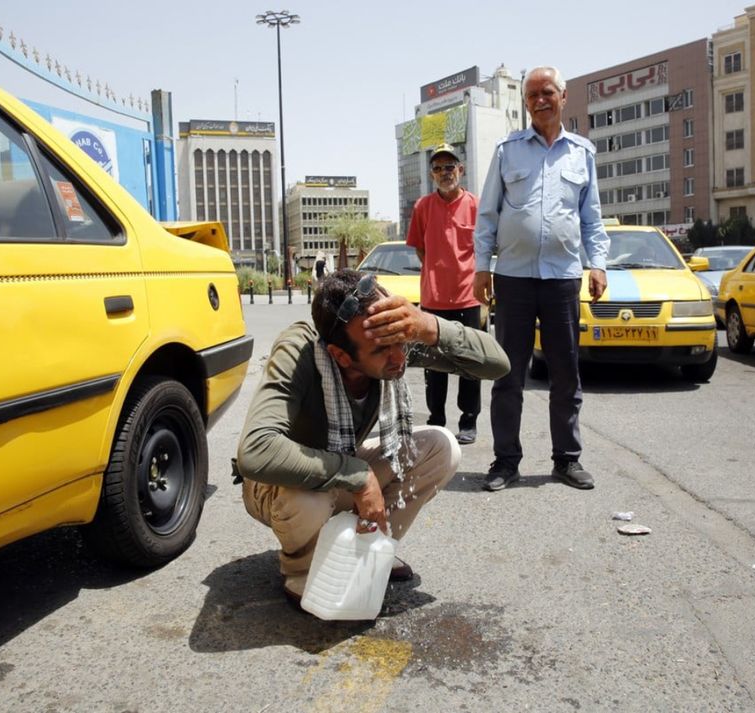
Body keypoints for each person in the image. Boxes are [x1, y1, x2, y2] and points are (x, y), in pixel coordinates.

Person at [236, 269, 510, 609]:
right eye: (383, 350)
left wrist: (427, 326)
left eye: (401, 340)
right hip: (278, 485)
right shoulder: (299, 351)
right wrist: (359, 477)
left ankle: (371, 548)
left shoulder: (389, 340)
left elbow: (498, 365)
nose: (399, 357)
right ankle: (302, 569)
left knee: (441, 448)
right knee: (310, 497)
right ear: (340, 355)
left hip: (339, 463)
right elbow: (255, 451)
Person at [473, 66, 609, 493]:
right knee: (507, 374)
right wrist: (481, 266)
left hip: (563, 279)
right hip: (512, 279)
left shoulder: (582, 153)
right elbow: (488, 213)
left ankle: (567, 460)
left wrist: (599, 263)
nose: (539, 100)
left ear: (563, 96)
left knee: (566, 374)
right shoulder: (507, 150)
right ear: (526, 102)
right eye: (531, 95)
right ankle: (505, 461)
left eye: (546, 92)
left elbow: (592, 218)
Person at [405, 142, 482, 445]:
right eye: (438, 168)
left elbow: (485, 247)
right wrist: (437, 273)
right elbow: (421, 249)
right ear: (432, 174)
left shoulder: (475, 205)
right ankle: (436, 420)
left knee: (469, 362)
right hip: (434, 299)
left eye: (449, 166)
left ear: (460, 170)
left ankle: (469, 421)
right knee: (433, 364)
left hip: (468, 297)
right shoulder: (422, 207)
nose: (444, 172)